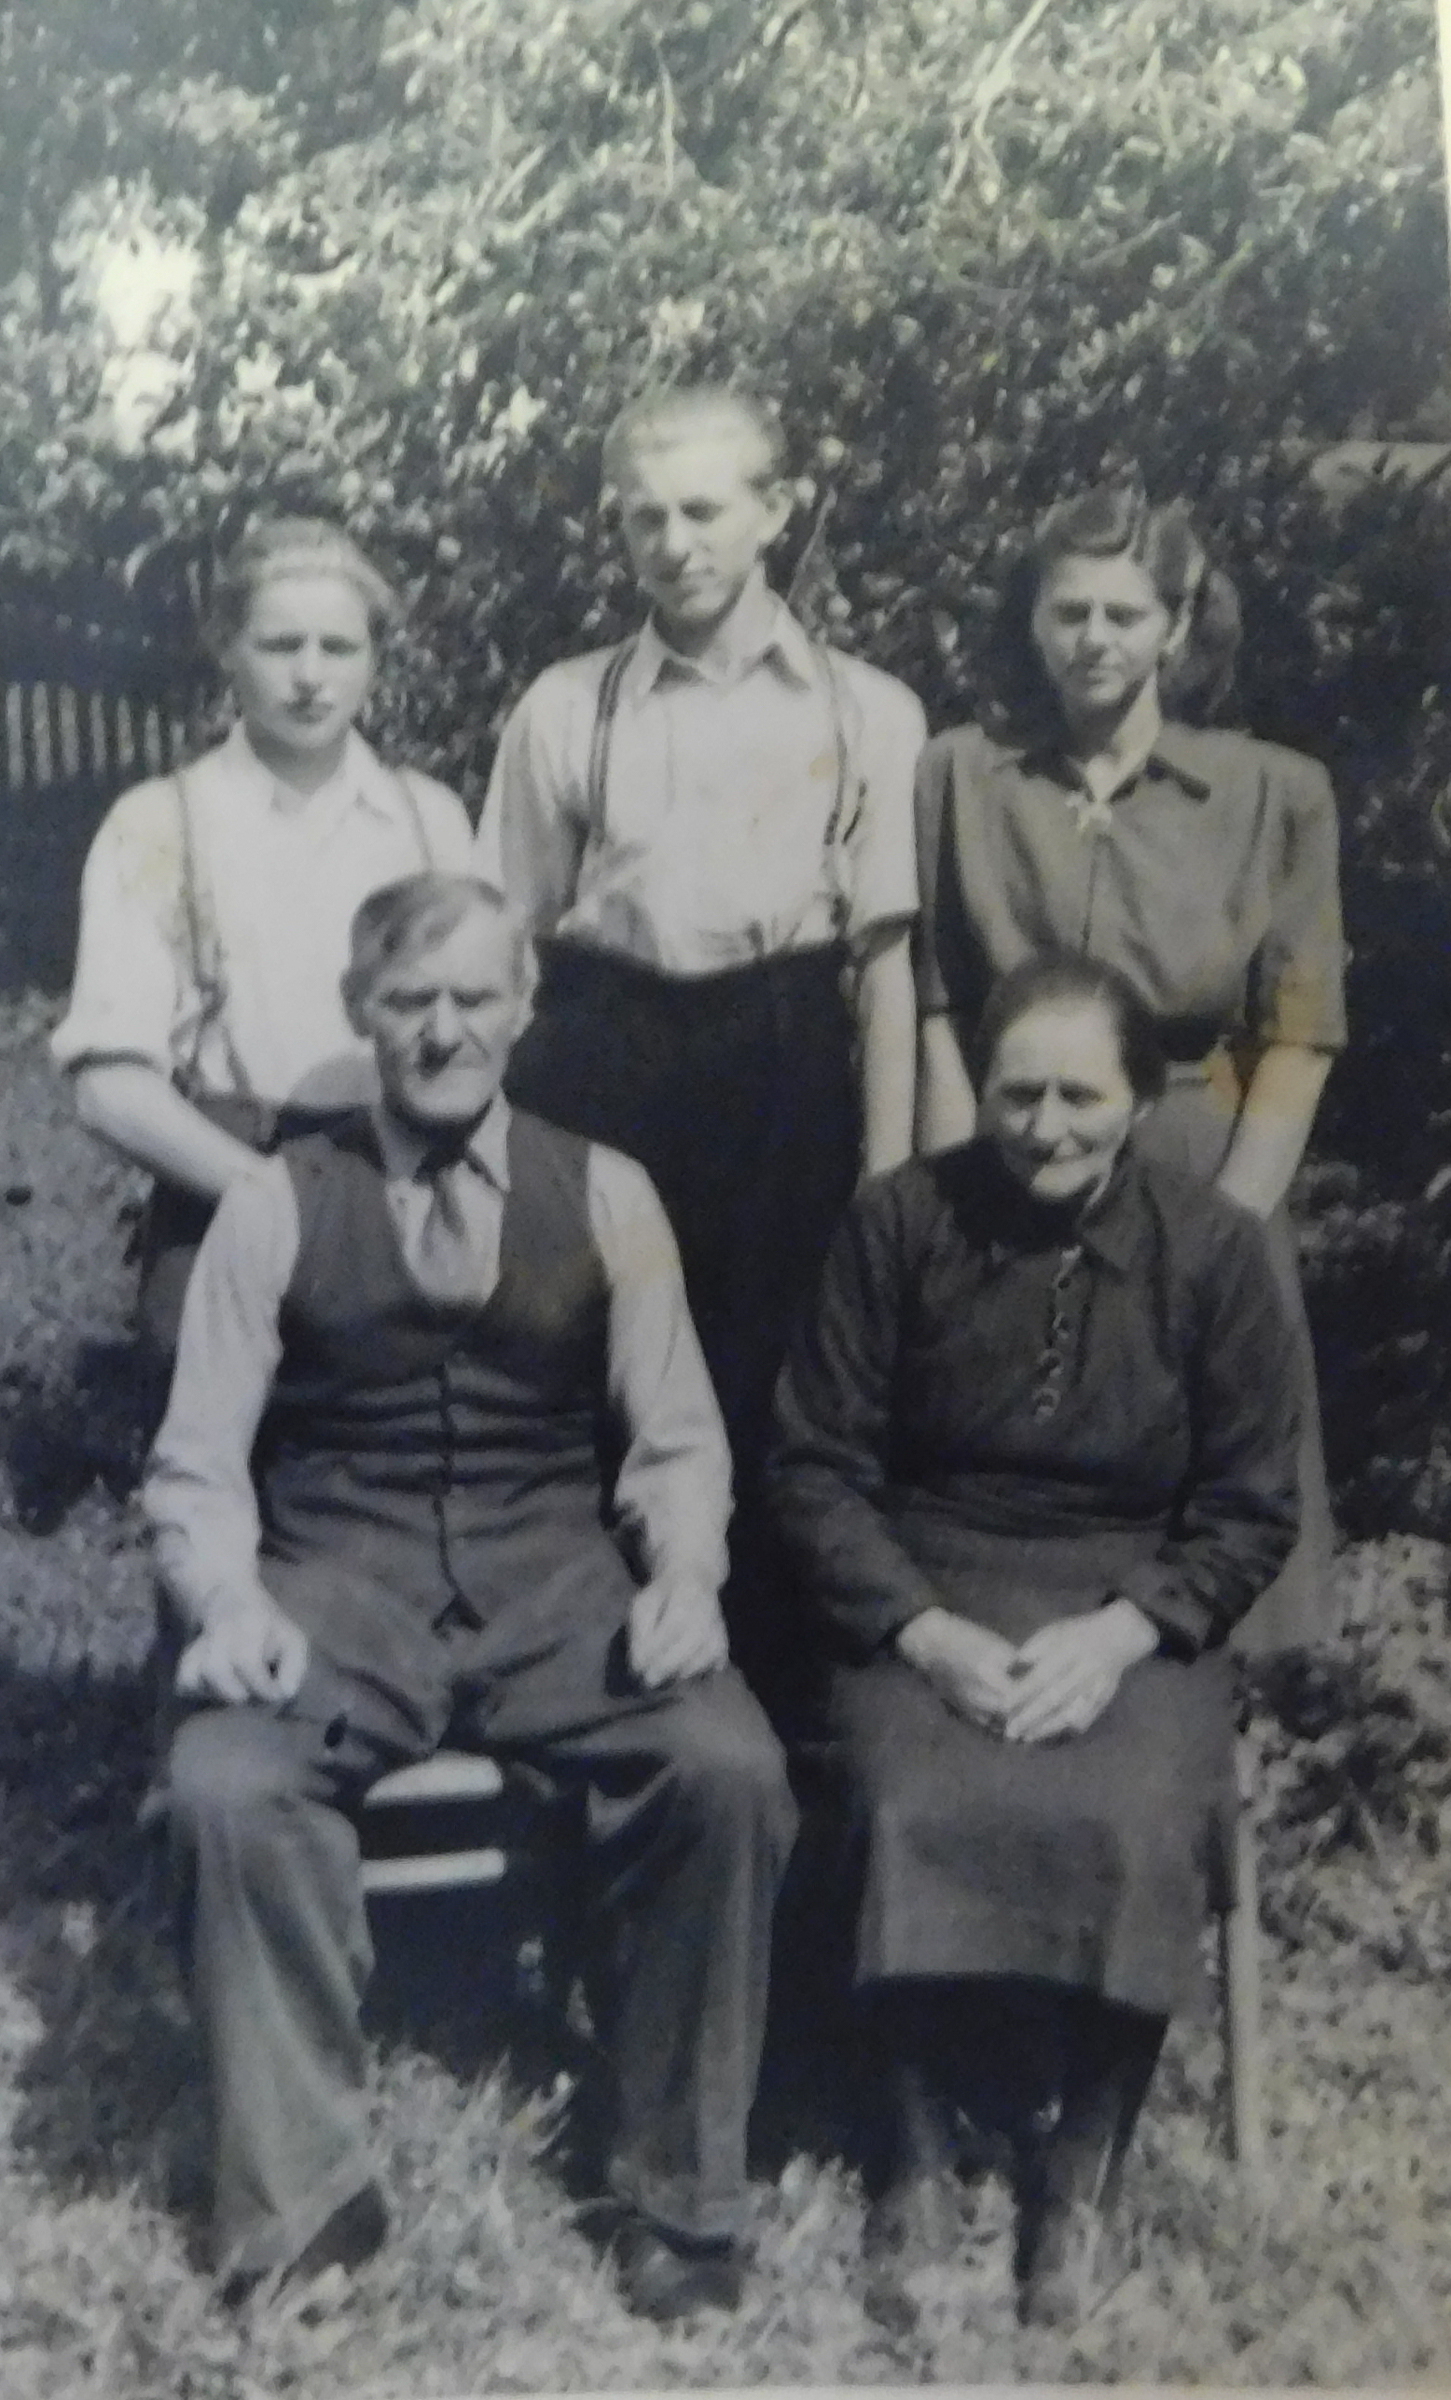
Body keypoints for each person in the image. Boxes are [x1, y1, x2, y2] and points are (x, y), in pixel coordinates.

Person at [141, 871, 797, 2320]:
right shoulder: (272, 1201)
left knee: (725, 1767)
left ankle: (677, 2196)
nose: (442, 1031)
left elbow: (676, 1437)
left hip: (553, 1579)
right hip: (337, 1582)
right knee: (223, 1788)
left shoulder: (610, 1191)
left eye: (472, 997)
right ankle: (304, 2200)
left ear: (523, 1007)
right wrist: (228, 1602)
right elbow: (196, 1463)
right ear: (359, 1011)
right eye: (408, 1001)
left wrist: (686, 1574)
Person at [768, 956, 1300, 2331]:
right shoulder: (897, 1224)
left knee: (1134, 1804)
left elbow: (1250, 1506)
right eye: (1017, 1094)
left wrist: (1122, 1635)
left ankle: (1082, 2167)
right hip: (928, 1578)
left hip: (1128, 1601)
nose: (1043, 1127)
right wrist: (920, 1631)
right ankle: (908, 2153)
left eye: (1078, 1096)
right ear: (982, 1092)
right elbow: (813, 1467)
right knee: (894, 1789)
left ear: (1138, 1101)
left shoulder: (1214, 1251)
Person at [477, 384, 925, 1702]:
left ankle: (772, 1705)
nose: (672, 545)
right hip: (603, 1049)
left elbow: (884, 967)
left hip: (782, 1062)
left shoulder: (864, 710)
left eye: (703, 511)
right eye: (642, 519)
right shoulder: (567, 709)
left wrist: (884, 1183)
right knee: (589, 1361)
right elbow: (506, 946)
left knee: (772, 1374)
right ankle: (591, 1686)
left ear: (774, 512)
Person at [911, 479, 1345, 1653]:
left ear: (1175, 624)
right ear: (1030, 621)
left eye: (1123, 614)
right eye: (1068, 613)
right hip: (1014, 1157)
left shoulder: (1273, 793)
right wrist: (951, 1212)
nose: (1093, 640)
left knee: (1198, 1488)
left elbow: (1297, 1036)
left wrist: (1222, 1236)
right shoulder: (958, 777)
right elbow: (939, 1008)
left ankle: (1193, 1742)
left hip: (1197, 1160)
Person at [52, 515, 474, 1358]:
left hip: (409, 1183)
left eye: (338, 647)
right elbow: (108, 1085)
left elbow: (483, 1034)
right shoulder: (160, 825)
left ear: (374, 658)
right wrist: (272, 1201)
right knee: (228, 1419)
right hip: (226, 1185)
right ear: (226, 647)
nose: (311, 677)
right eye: (281, 646)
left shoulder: (429, 820)